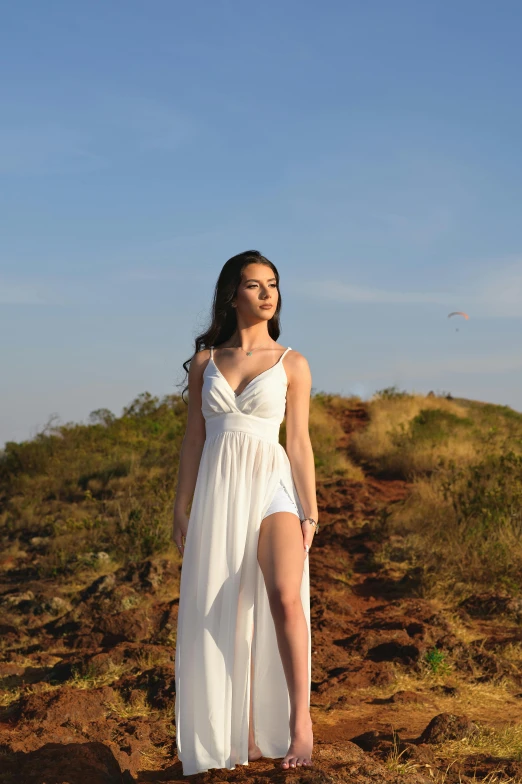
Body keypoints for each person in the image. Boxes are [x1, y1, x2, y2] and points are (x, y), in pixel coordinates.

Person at [172, 250, 318, 775]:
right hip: (218, 486)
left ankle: (300, 723)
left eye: (273, 284)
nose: (266, 293)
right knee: (226, 607)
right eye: (254, 285)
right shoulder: (205, 364)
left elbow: (298, 443)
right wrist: (180, 506)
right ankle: (243, 731)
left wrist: (311, 511)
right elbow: (194, 439)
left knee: (282, 594)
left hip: (273, 485)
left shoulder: (292, 363)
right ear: (232, 294)